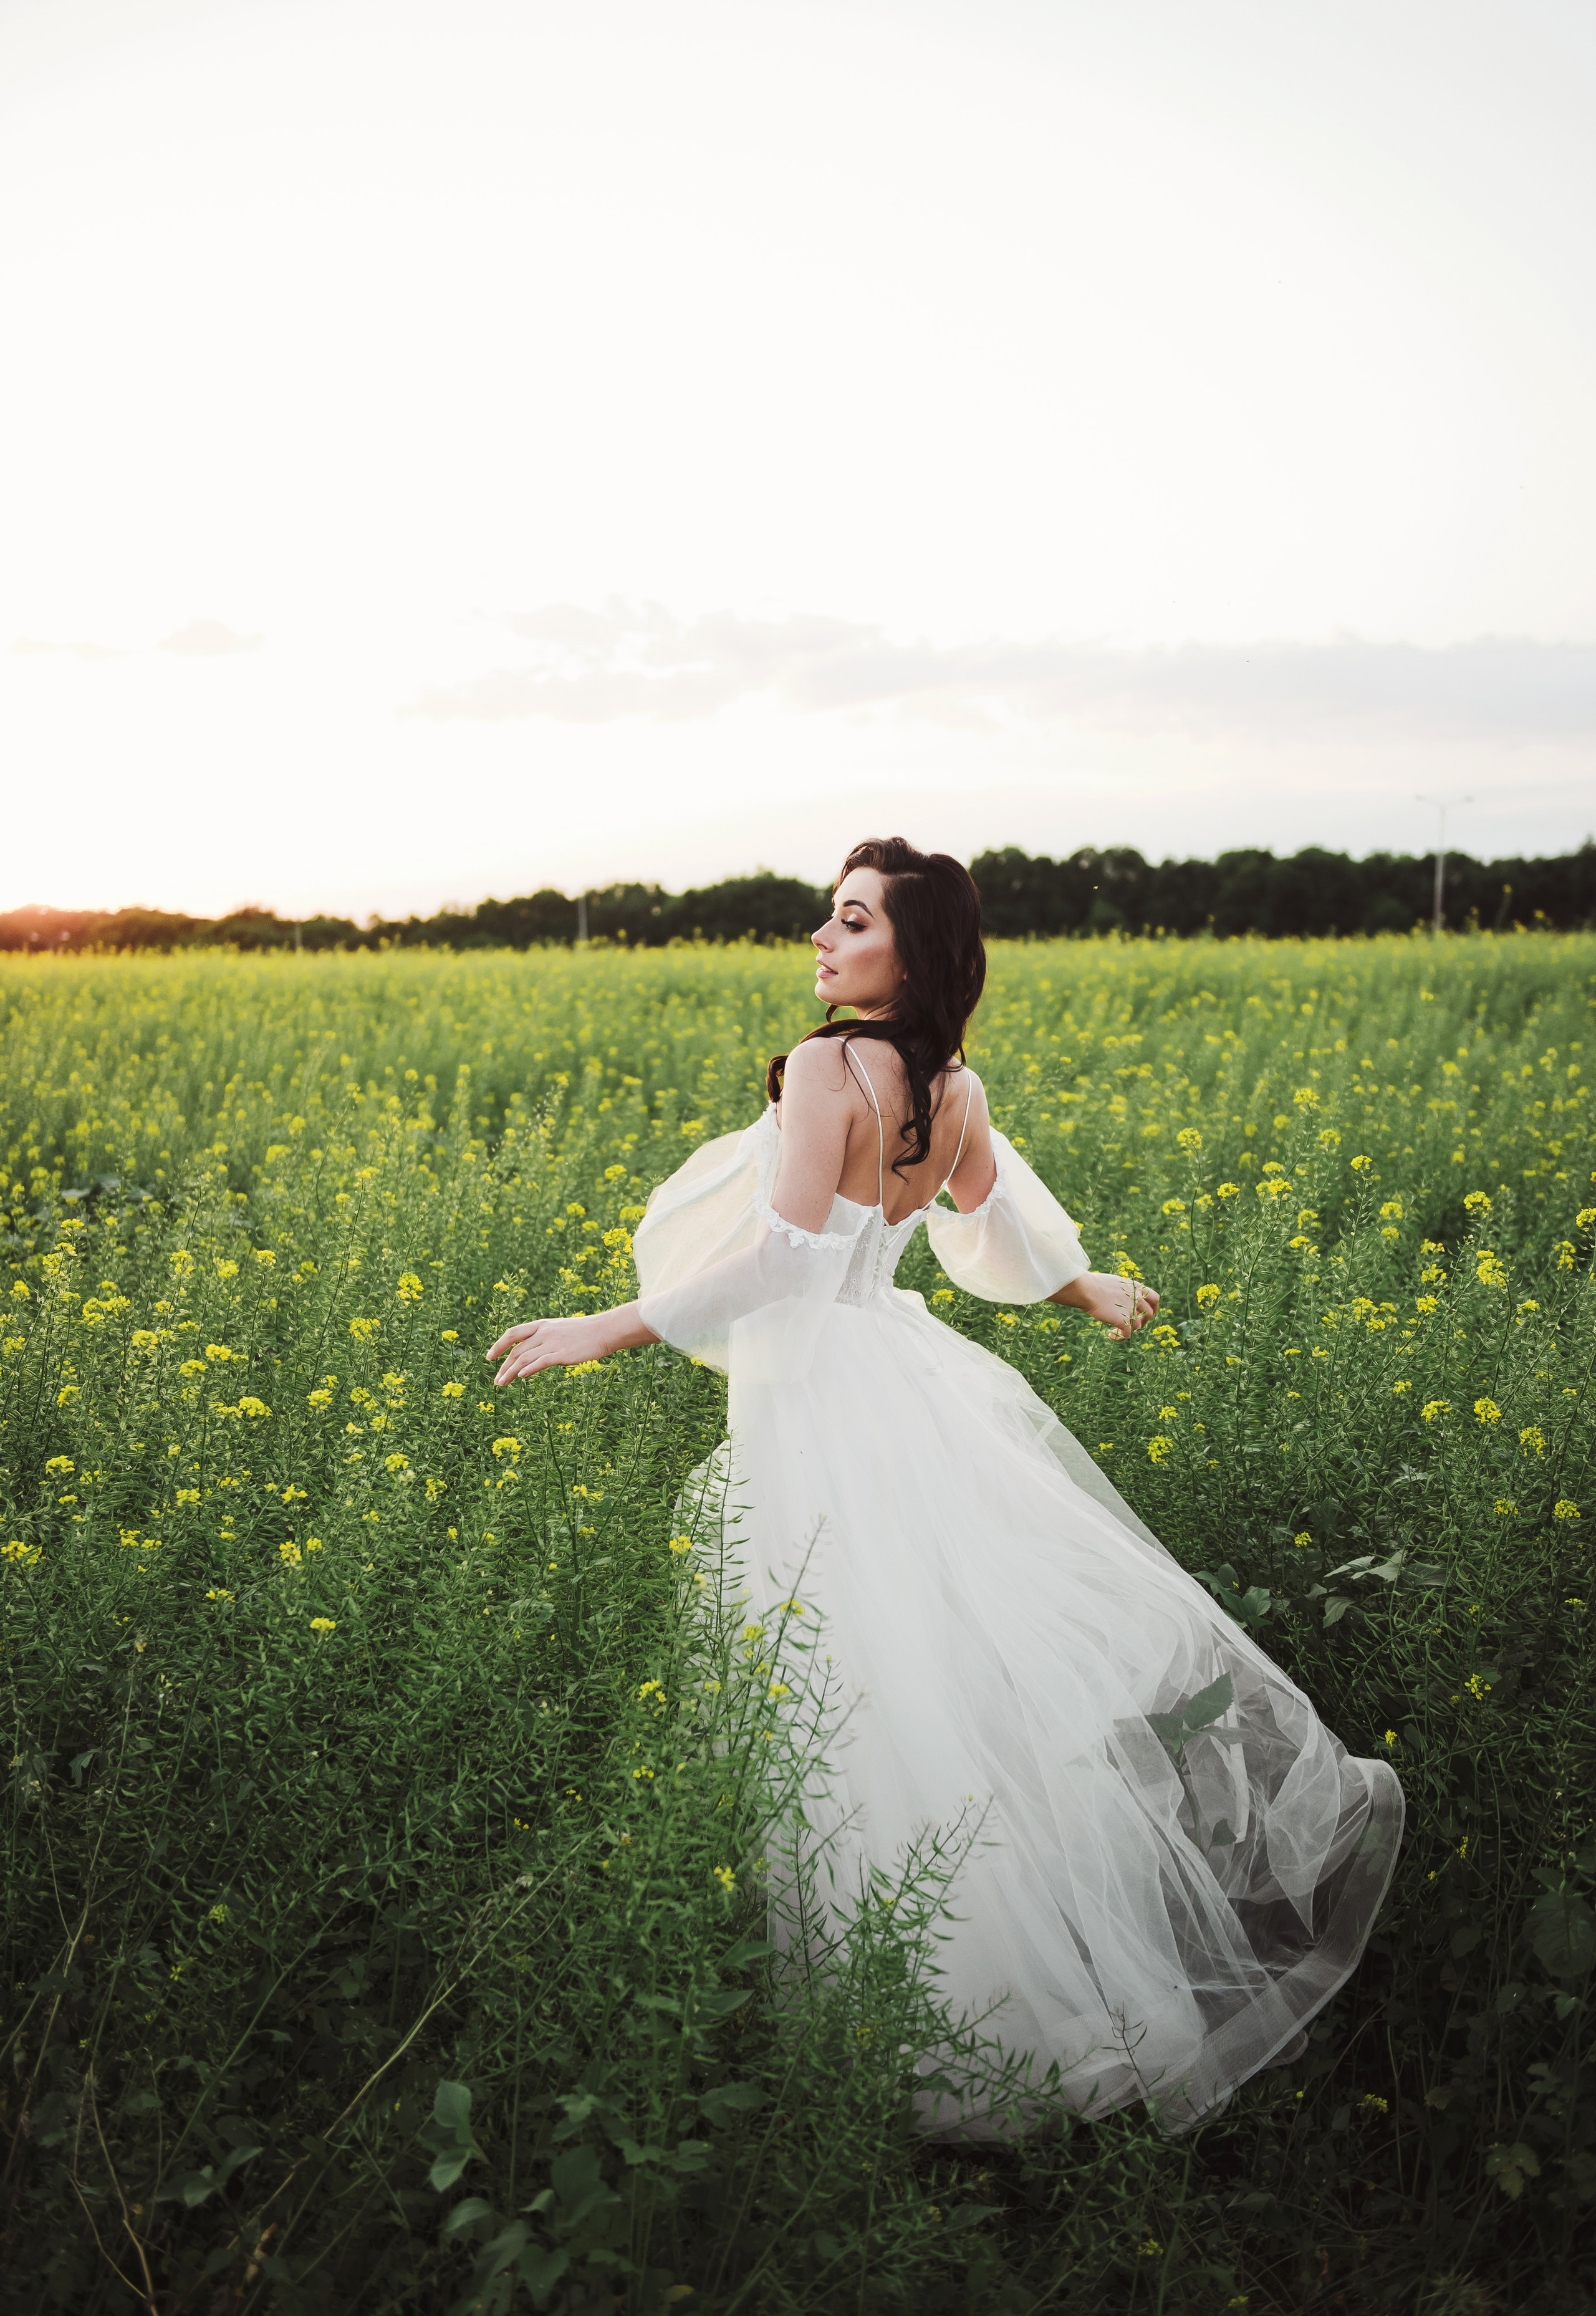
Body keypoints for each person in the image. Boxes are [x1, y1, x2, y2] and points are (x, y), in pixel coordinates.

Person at [488, 836, 1403, 2133]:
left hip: (825, 1403)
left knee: (865, 1711)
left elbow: (786, 1265)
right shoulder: (947, 1083)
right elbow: (985, 1205)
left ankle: (931, 2029)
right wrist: (1076, 1283)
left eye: (849, 922)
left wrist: (604, 1324)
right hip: (909, 1384)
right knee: (942, 1695)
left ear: (904, 955)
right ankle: (1017, 1987)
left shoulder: (825, 1066)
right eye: (828, 914)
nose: (820, 937)